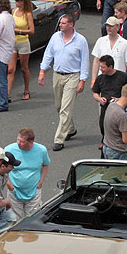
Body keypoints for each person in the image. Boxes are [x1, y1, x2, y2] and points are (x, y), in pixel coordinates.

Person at [38, 14, 91, 151]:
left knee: (65, 108)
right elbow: (48, 54)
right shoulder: (55, 37)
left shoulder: (81, 41)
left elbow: (85, 61)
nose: (60, 25)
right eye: (60, 22)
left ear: (71, 25)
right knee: (59, 106)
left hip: (73, 77)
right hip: (57, 75)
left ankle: (59, 139)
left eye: (63, 23)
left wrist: (82, 80)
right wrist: (42, 71)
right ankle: (71, 128)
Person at [4, 129, 50, 221]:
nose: (18, 143)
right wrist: (9, 184)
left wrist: (40, 182)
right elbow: (2, 168)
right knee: (15, 220)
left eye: (22, 141)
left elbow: (46, 165)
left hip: (34, 191)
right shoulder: (9, 150)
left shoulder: (41, 150)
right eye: (18, 140)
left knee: (33, 219)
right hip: (14, 191)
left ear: (31, 142)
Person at [93, 55, 127, 139]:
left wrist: (120, 99)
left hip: (119, 108)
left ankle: (116, 142)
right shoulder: (100, 78)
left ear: (110, 66)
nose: (101, 69)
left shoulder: (123, 76)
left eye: (103, 67)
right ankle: (105, 141)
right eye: (100, 66)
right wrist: (100, 99)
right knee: (103, 126)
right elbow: (95, 93)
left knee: (118, 127)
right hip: (105, 108)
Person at [8, 0, 35, 102]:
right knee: (10, 69)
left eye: (18, 0)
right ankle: (8, 94)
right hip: (12, 43)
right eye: (15, 0)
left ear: (24, 2)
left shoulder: (27, 14)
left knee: (24, 68)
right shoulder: (13, 12)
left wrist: (19, 31)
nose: (16, 2)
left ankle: (26, 90)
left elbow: (32, 30)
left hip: (23, 43)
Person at [92, 17, 127, 84]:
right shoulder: (100, 41)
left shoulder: (125, 43)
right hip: (103, 80)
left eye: (111, 26)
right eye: (107, 25)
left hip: (119, 81)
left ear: (118, 27)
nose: (108, 28)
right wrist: (93, 80)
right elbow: (96, 61)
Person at [102, 83, 127, 160]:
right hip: (117, 151)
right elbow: (125, 140)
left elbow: (122, 125)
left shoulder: (111, 106)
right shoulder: (121, 114)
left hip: (107, 146)